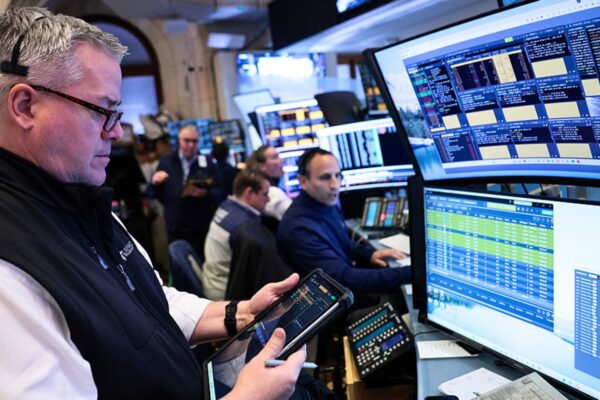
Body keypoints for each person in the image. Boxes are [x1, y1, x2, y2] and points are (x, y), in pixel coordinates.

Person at [0, 7, 305, 399]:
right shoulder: (10, 268)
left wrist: (242, 313)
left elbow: (148, 302)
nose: (116, 133)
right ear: (25, 106)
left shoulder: (78, 200)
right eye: (101, 111)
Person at [277, 148, 411, 295]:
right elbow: (345, 281)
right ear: (303, 181)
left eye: (338, 175)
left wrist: (371, 254)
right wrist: (409, 273)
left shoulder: (324, 204)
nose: (335, 185)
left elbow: (343, 243)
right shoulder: (299, 230)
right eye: (325, 177)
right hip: (339, 299)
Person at [151, 124, 221, 257]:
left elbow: (219, 192)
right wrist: (155, 183)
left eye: (194, 141)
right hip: (176, 226)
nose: (190, 145)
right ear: (179, 141)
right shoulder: (167, 161)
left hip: (201, 227)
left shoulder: (207, 162)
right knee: (179, 263)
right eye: (186, 141)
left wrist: (204, 194)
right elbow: (156, 193)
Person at [203, 170, 270, 300]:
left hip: (212, 280)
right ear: (249, 193)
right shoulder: (243, 227)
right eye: (265, 194)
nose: (268, 200)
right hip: (223, 293)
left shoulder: (226, 205)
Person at [246, 144, 292, 220]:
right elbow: (296, 215)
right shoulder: (271, 192)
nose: (282, 160)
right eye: (275, 157)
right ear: (262, 166)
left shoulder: (263, 187)